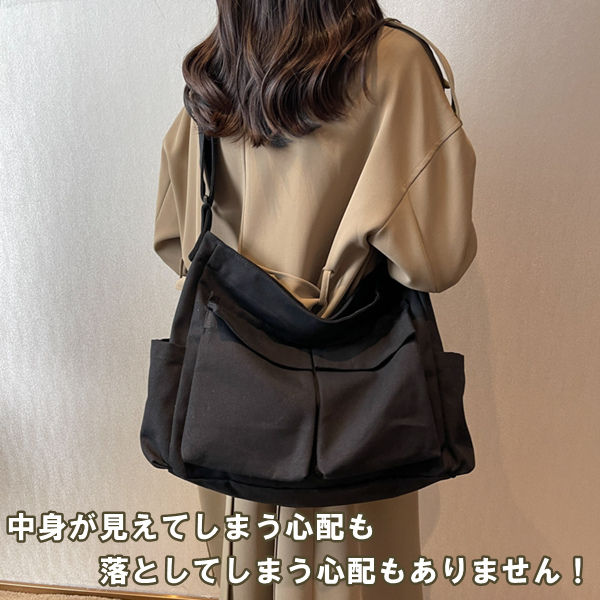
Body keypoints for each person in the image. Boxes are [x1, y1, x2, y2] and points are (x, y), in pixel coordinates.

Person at [152, 2, 477, 598]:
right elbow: (436, 260)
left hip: (235, 406)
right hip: (355, 407)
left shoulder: (215, 68)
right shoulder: (397, 62)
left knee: (250, 572)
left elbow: (177, 241)